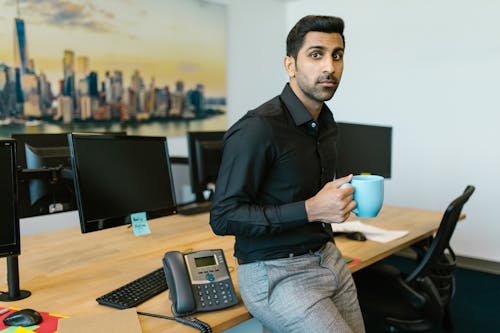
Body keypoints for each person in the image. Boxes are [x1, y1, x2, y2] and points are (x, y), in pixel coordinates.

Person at [210, 15, 365, 333]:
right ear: (290, 65)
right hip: (275, 272)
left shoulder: (326, 123)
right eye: (316, 54)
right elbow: (223, 217)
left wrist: (335, 202)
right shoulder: (257, 128)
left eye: (337, 56)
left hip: (328, 258)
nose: (330, 67)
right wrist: (311, 209)